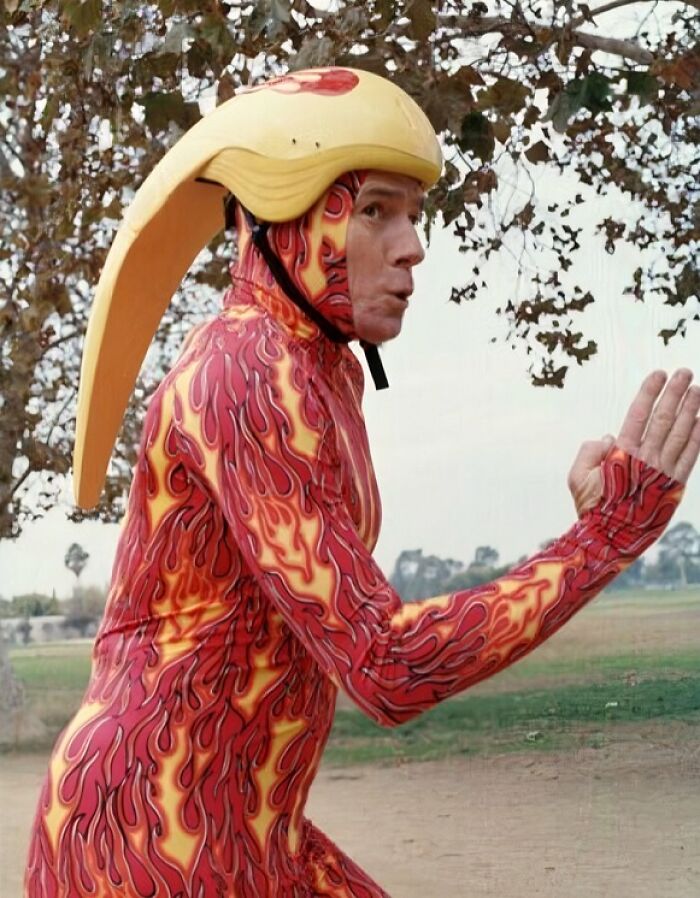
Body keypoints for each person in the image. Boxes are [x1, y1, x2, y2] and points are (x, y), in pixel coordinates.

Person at [25, 67, 700, 898]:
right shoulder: (248, 371)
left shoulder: (319, 372)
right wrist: (601, 540)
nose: (414, 245)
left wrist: (593, 539)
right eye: (376, 209)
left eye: (414, 214)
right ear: (280, 214)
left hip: (237, 824)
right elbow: (386, 666)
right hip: (146, 838)